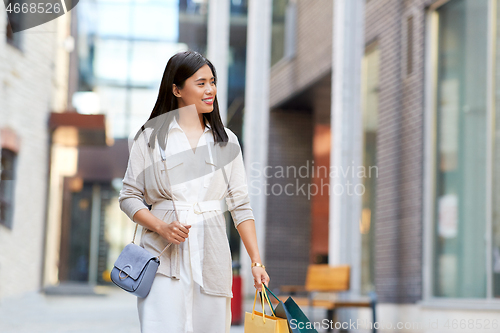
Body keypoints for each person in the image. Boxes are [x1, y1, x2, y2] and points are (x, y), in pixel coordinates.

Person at [118, 50, 270, 333]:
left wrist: (256, 261)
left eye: (212, 82)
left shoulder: (227, 142)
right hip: (162, 258)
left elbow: (240, 205)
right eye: (200, 83)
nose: (210, 89)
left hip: (211, 257)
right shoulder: (149, 138)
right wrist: (161, 226)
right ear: (177, 89)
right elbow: (128, 197)